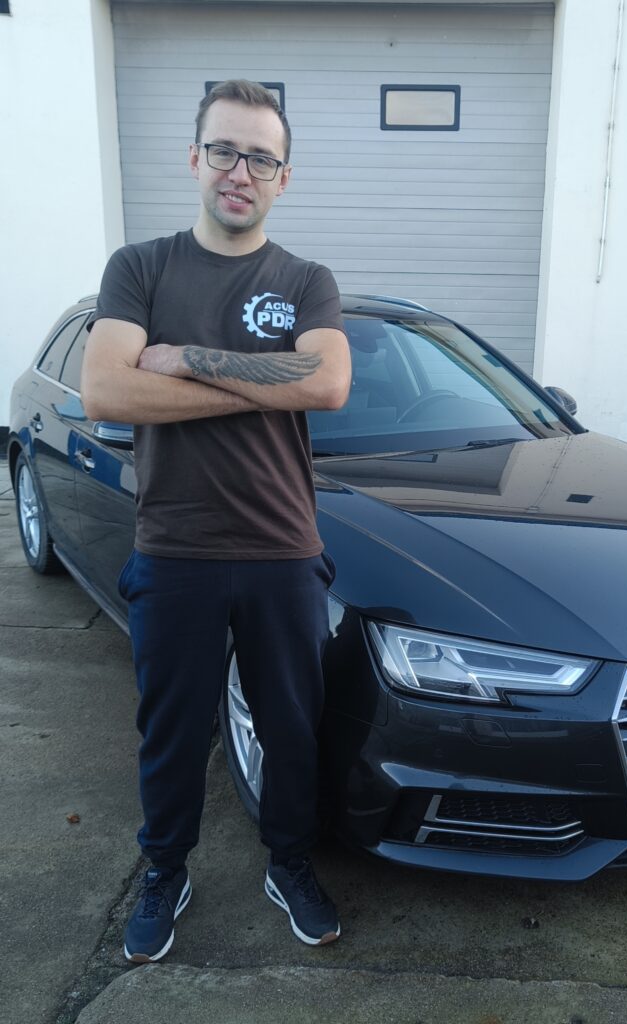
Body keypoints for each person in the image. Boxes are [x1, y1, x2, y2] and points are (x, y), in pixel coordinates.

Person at [81, 79, 351, 962]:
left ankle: (289, 862)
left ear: (284, 178)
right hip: (176, 550)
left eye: (261, 159)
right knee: (170, 733)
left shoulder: (306, 281)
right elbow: (107, 389)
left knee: (291, 731)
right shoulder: (140, 268)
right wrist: (261, 383)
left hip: (283, 550)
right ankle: (165, 870)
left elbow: (328, 384)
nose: (241, 172)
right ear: (195, 158)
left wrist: (188, 360)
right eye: (226, 151)